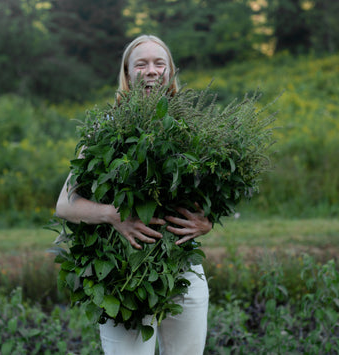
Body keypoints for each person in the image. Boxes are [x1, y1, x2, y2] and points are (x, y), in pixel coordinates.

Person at [55, 34, 212, 355]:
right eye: (141, 64)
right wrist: (114, 216)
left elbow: (212, 197)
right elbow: (64, 205)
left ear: (170, 72)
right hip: (122, 275)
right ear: (127, 75)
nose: (151, 70)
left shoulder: (191, 130)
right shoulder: (106, 129)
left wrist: (205, 222)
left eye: (159, 63)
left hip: (184, 270)